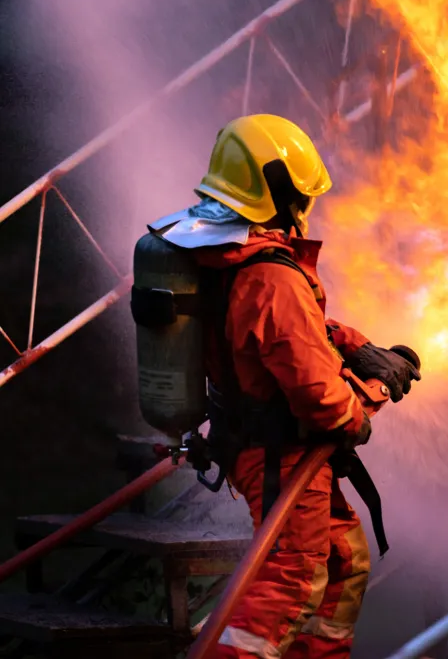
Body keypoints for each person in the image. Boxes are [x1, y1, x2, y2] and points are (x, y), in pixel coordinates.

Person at [147, 114, 420, 658]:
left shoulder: (222, 252)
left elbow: (289, 332)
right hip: (280, 454)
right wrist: (368, 396)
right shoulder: (271, 276)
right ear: (280, 192)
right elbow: (324, 404)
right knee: (289, 585)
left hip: (259, 444)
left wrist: (358, 347)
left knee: (342, 562)